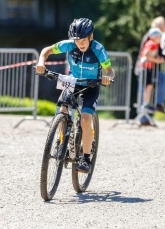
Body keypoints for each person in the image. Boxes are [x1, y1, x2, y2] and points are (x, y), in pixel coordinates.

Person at [36, 18, 115, 173]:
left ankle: (85, 159)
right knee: (62, 110)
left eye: (84, 40)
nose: (81, 44)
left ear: (90, 37)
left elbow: (110, 71)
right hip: (71, 82)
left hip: (92, 85)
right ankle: (61, 140)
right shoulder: (69, 45)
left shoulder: (98, 49)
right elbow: (47, 50)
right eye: (77, 40)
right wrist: (41, 63)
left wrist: (108, 78)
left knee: (85, 119)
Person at [134, 16, 165, 113]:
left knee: (150, 86)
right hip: (144, 67)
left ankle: (157, 105)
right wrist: (156, 60)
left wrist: (162, 58)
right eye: (164, 25)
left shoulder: (158, 39)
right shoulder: (151, 38)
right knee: (144, 88)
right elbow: (145, 53)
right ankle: (143, 116)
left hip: (152, 68)